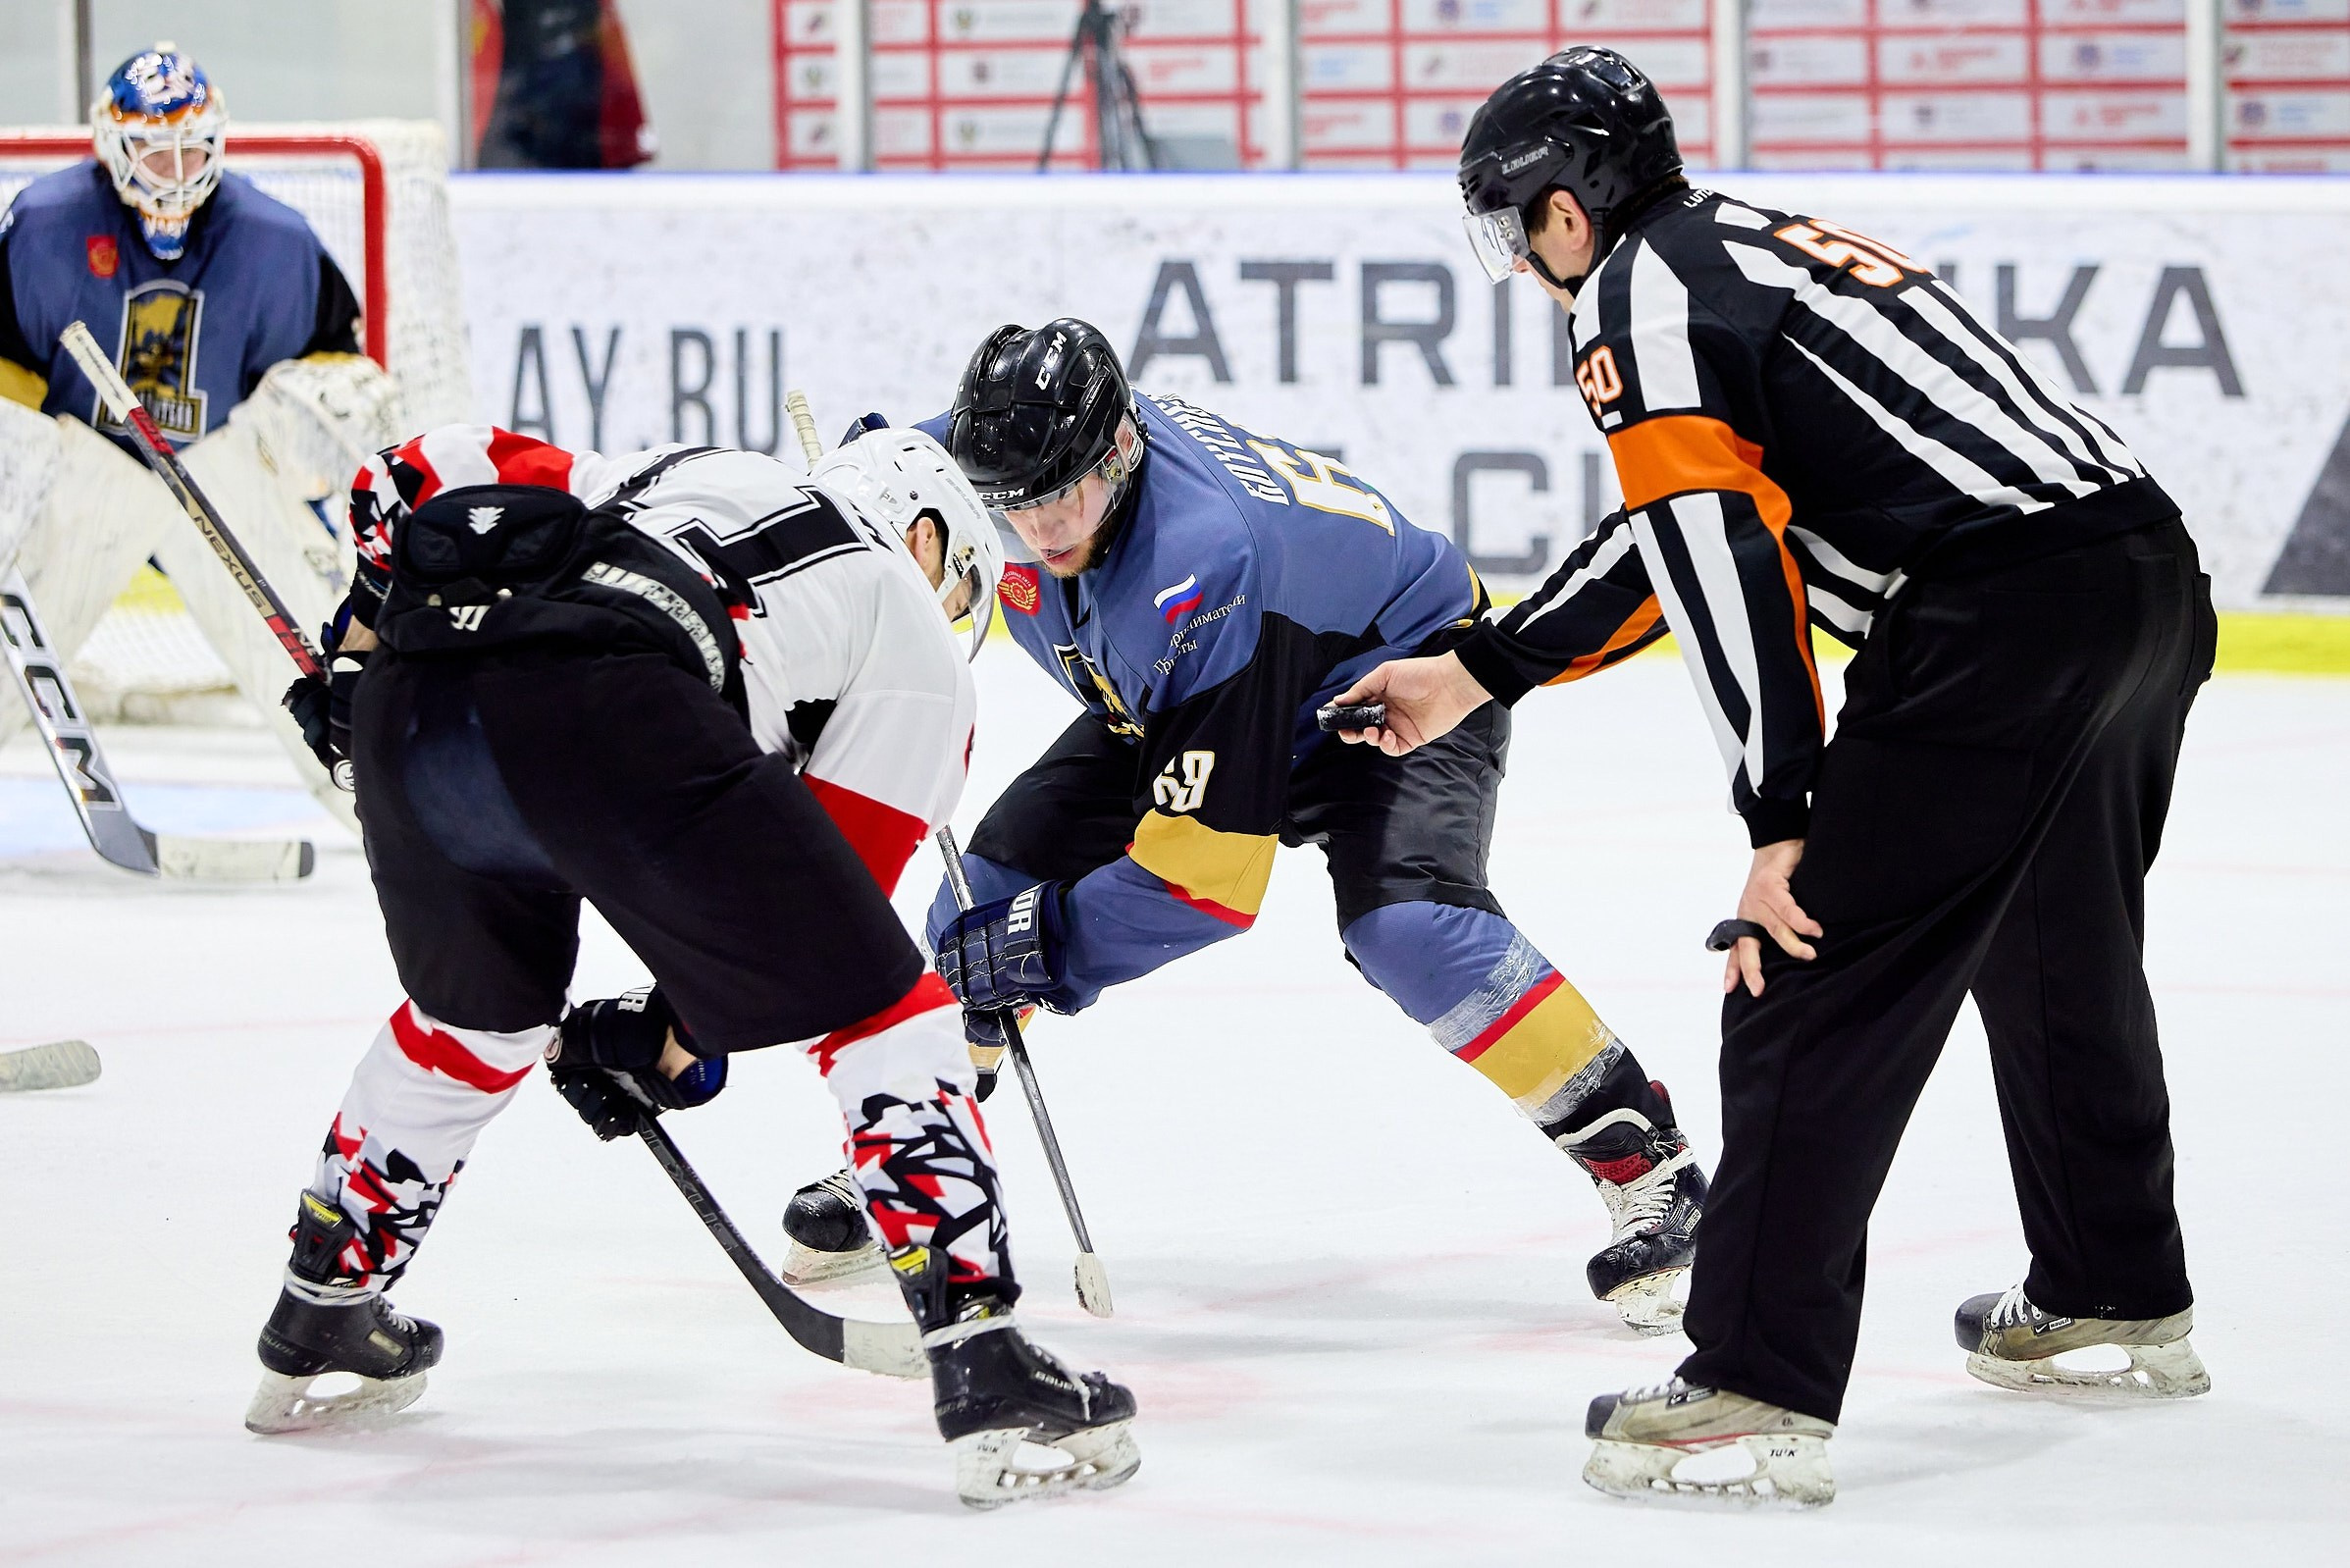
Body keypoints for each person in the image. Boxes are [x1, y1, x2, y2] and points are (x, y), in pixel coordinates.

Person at [1332, 47, 2215, 1506]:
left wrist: (1781, 819)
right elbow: (1691, 528)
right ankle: (2115, 1289)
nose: (1524, 260)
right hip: (2136, 585)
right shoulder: (1739, 245)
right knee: (2057, 949)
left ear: (1564, 209)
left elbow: (1718, 560)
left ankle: (1751, 1377)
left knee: (1795, 978)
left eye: (1515, 221)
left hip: (1987, 623)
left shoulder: (1629, 294)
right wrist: (1479, 667)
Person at [247, 423, 1139, 1510]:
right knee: (894, 1013)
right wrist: (672, 1038)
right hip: (608, 703)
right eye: (960, 587)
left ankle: (322, 1303)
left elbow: (409, 468)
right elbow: (816, 945)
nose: (953, 615)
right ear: (927, 535)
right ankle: (983, 1353)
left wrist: (355, 652)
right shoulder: (910, 635)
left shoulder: (677, 469)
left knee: (471, 1025)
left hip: (412, 704)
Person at [779, 319, 1707, 1335]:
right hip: (1189, 683)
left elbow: (1203, 885)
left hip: (1391, 678)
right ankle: (922, 1160)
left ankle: (1647, 1159)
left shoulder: (1194, 562)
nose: (1038, 528)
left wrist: (1046, 948)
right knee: (979, 895)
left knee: (1407, 926)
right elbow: (872, 493)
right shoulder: (988, 465)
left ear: (1120, 452)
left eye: (1063, 495)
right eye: (1011, 504)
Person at [0, 43, 399, 813]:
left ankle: (378, 808)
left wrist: (303, 442)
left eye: (191, 148)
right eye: (153, 150)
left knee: (307, 649)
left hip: (216, 469)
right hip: (89, 467)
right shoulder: (45, 225)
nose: (174, 171)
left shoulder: (273, 240)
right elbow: (8, 365)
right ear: (113, 146)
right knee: (17, 649)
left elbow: (325, 368)